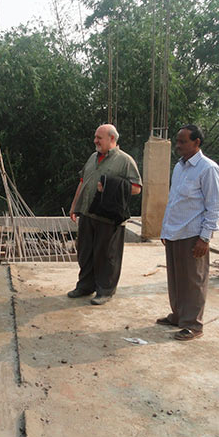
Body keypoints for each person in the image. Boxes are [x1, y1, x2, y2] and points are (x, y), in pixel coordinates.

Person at [159, 124, 219, 341]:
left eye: (183, 141)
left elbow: (214, 206)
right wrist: (165, 229)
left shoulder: (208, 169)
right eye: (177, 141)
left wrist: (205, 238)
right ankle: (178, 315)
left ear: (197, 142)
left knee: (194, 280)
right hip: (174, 232)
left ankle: (193, 324)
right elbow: (173, 201)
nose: (178, 145)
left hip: (193, 234)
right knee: (176, 278)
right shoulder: (180, 167)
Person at [68, 124, 142, 305]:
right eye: (95, 137)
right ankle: (85, 286)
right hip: (87, 213)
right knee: (85, 252)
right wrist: (75, 206)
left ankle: (105, 290)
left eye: (99, 138)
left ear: (112, 139)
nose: (95, 141)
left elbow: (136, 188)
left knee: (107, 256)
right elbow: (83, 181)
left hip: (109, 216)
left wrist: (110, 185)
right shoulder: (93, 157)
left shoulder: (125, 161)